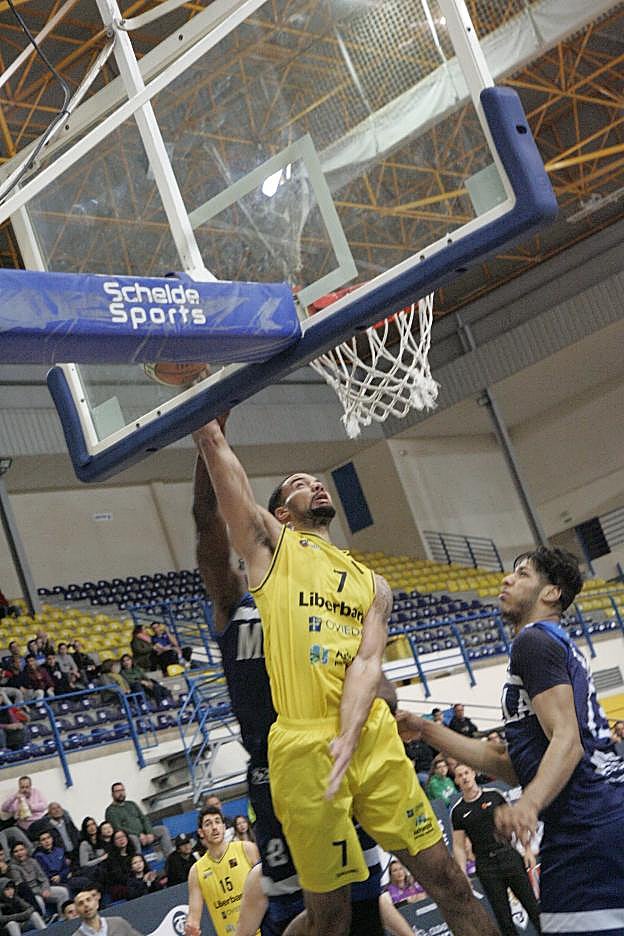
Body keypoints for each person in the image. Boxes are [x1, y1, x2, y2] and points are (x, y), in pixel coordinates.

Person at [194, 420, 498, 936]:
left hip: (371, 738)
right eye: (298, 483)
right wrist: (208, 431)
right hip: (301, 747)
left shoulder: (373, 584)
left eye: (316, 479)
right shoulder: (271, 550)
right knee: (330, 917)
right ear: (281, 513)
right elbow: (227, 489)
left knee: (450, 881)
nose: (314, 483)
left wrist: (353, 729)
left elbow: (367, 663)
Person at [193, 443, 402, 936]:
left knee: (364, 907)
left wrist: (377, 703)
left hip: (334, 757)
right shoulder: (236, 598)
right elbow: (206, 519)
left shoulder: (327, 595)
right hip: (275, 771)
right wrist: (208, 439)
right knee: (302, 912)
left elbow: (378, 682)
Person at [397, 546, 624, 936]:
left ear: (551, 592)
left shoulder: (533, 642)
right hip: (598, 816)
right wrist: (426, 729)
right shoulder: (548, 644)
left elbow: (567, 740)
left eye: (522, 574)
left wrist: (527, 805)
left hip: (586, 822)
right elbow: (507, 762)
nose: (507, 579)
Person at [451, 763, 541, 936]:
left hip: (508, 854)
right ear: (456, 781)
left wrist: (527, 850)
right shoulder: (458, 811)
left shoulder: (494, 795)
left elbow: (516, 823)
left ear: (474, 773)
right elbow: (459, 846)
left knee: (532, 906)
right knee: (503, 918)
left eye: (466, 773)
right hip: (486, 864)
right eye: (460, 775)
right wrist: (462, 873)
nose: (464, 777)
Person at [185, 806, 260, 936]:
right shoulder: (196, 871)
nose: (214, 827)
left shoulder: (247, 849)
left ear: (224, 827)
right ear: (201, 832)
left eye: (217, 821)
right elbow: (193, 917)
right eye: (208, 824)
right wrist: (191, 927)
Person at [104, 782, 173, 857]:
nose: (121, 793)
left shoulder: (131, 804)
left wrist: (149, 832)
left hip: (144, 834)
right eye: (117, 791)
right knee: (133, 838)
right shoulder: (111, 811)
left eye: (122, 790)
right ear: (112, 794)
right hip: (131, 837)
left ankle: (170, 858)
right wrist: (138, 835)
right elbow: (118, 828)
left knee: (162, 830)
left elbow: (144, 818)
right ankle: (139, 861)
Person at [8, 841, 69, 915]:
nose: (20, 853)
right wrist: (40, 892)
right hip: (30, 895)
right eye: (16, 851)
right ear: (12, 854)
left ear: (26, 850)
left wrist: (46, 888)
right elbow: (22, 888)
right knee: (39, 901)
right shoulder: (13, 867)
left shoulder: (33, 861)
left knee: (63, 892)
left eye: (21, 850)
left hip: (41, 888)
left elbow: (43, 877)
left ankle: (63, 917)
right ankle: (44, 919)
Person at [72, 887, 143, 936]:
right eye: (80, 903)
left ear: (97, 903)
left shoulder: (118, 923)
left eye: (88, 900)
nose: (86, 905)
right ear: (77, 912)